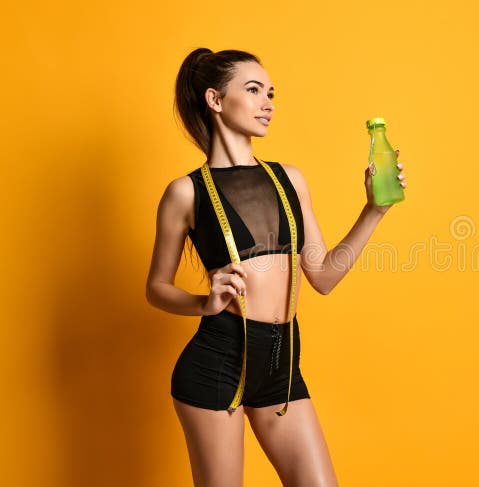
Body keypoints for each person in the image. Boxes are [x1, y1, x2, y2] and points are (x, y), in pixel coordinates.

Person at [145, 48, 408, 487]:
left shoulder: (289, 179)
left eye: (271, 93)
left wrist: (374, 211)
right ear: (215, 100)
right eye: (253, 90)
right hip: (217, 365)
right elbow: (155, 287)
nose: (268, 102)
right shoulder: (185, 193)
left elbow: (322, 276)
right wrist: (202, 302)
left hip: (282, 363)